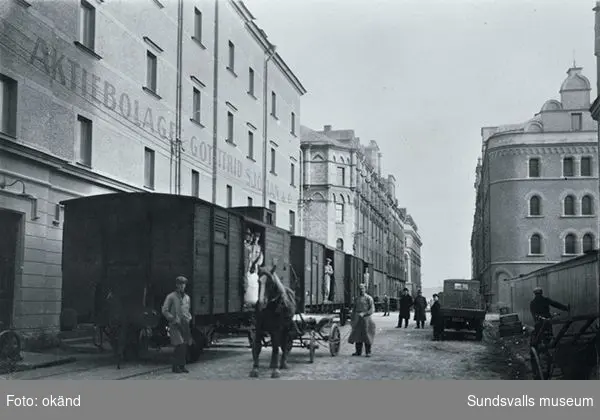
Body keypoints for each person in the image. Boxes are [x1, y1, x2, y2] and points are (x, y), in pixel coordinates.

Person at [162, 276, 193, 373]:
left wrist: (189, 318)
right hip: (175, 323)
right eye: (180, 284)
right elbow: (164, 310)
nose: (182, 286)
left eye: (183, 284)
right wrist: (172, 319)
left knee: (184, 345)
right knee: (179, 344)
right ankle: (175, 367)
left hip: (184, 323)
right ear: (176, 285)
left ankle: (182, 366)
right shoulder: (171, 296)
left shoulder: (187, 298)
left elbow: (187, 310)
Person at [348, 284, 376, 357]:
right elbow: (354, 309)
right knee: (357, 335)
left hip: (366, 319)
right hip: (357, 318)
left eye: (362, 288)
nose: (361, 290)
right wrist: (352, 318)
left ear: (365, 289)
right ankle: (358, 351)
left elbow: (372, 309)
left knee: (367, 335)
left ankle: (368, 352)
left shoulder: (369, 298)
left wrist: (365, 313)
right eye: (360, 288)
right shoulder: (357, 298)